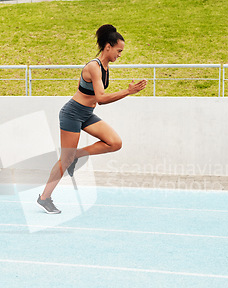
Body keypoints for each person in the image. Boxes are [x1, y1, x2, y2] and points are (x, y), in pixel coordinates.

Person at [37, 24, 147, 214]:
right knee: (65, 159)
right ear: (108, 47)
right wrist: (128, 92)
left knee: (115, 143)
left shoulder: (106, 66)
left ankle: (76, 156)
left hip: (86, 114)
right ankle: (44, 198)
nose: (120, 54)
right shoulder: (94, 67)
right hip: (72, 113)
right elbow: (101, 99)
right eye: (119, 51)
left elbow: (98, 100)